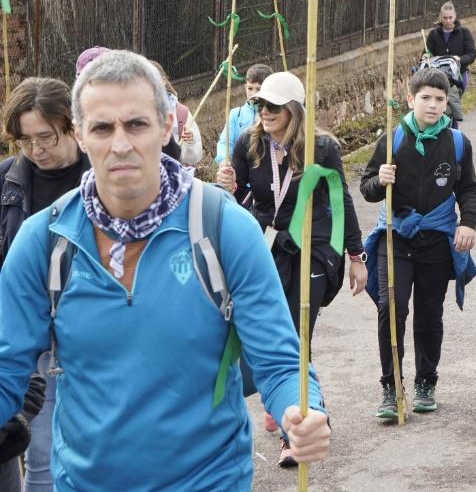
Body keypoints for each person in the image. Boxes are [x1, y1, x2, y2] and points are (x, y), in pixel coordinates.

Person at [0, 50, 330, 491]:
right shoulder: (45, 242)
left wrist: (300, 411)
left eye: (136, 124)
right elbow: (6, 369)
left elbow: (280, 360)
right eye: (102, 128)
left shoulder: (222, 227)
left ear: (167, 126)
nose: (121, 144)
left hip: (208, 480)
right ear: (80, 135)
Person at [215, 70, 366, 465]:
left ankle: (296, 427)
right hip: (270, 245)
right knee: (270, 329)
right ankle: (301, 408)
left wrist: (355, 256)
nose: (263, 112)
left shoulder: (321, 148)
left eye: (272, 106)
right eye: (259, 105)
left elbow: (343, 200)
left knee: (299, 331)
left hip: (315, 246)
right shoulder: (250, 145)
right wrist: (228, 185)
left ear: (293, 110)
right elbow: (241, 197)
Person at [360, 68, 476, 420]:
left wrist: (468, 223)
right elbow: (367, 188)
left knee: (430, 313)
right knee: (392, 307)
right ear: (410, 99)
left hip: (436, 240)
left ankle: (426, 381)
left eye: (440, 100)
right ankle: (390, 386)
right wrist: (379, 181)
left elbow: (468, 188)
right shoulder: (393, 138)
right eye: (425, 98)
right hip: (395, 236)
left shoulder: (457, 143)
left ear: (448, 103)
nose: (432, 105)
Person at [0, 78, 92, 491]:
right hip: (29, 336)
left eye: (46, 137)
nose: (36, 151)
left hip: (89, 332)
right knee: (40, 456)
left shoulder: (102, 177)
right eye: (25, 141)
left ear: (72, 127)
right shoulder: (7, 182)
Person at [425, 2, 476, 126]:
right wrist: (426, 56)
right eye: (445, 18)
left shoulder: (464, 32)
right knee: (440, 108)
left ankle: (453, 136)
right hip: (439, 78)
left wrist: (459, 59)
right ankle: (440, 134)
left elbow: (472, 54)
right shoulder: (434, 34)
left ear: (455, 16)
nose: (448, 21)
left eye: (450, 17)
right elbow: (427, 53)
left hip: (458, 77)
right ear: (440, 17)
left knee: (452, 107)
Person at [215, 63, 273, 164]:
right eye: (250, 88)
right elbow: (225, 142)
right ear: (245, 87)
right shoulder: (236, 114)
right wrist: (224, 161)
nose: (253, 94)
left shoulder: (273, 115)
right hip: (239, 170)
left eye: (258, 89)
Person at [151, 60, 203, 166]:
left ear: (164, 81)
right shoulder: (130, 115)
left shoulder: (180, 113)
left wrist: (190, 142)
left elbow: (192, 159)